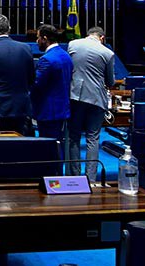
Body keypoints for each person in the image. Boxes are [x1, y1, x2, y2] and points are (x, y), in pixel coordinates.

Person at [67, 26, 116, 185]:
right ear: (102, 38)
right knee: (93, 138)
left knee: (73, 137)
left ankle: (74, 177)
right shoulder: (107, 53)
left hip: (75, 96)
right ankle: (90, 179)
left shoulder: (73, 44)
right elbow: (110, 82)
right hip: (96, 99)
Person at [30, 24, 73, 141]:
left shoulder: (46, 59)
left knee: (48, 148)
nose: (36, 41)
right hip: (62, 109)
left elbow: (36, 85)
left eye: (38, 37)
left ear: (45, 38)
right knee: (58, 144)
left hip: (47, 111)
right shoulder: (66, 56)